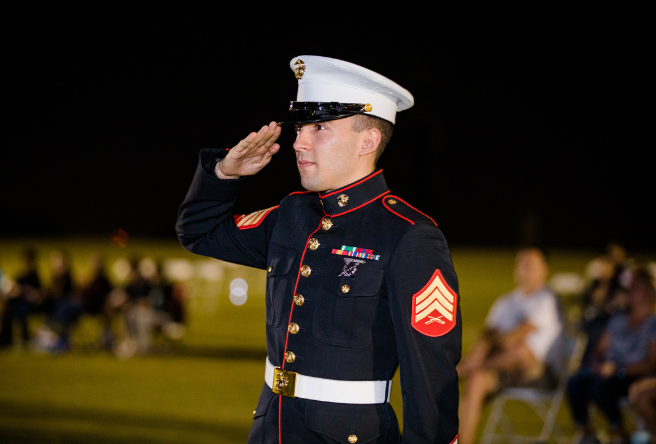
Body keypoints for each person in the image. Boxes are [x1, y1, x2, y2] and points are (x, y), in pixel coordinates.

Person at [176, 56, 461, 443]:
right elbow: (199, 232)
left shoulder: (409, 235)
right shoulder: (293, 214)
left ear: (368, 140)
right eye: (300, 128)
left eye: (320, 127)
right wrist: (225, 172)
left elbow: (430, 379)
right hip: (271, 428)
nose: (298, 142)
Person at [457, 248, 562, 444]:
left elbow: (515, 338)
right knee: (476, 381)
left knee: (520, 351)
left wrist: (490, 345)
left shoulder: (546, 300)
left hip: (539, 374)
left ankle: (461, 371)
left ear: (544, 270)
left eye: (529, 264)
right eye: (520, 264)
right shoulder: (506, 302)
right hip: (503, 370)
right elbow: (487, 335)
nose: (523, 269)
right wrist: (480, 351)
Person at [566, 267, 656, 444]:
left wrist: (619, 369)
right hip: (609, 370)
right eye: (628, 289)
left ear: (648, 292)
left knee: (601, 387)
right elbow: (599, 349)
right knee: (575, 382)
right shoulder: (618, 319)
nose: (629, 293)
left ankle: (620, 434)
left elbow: (652, 363)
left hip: (632, 374)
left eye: (636, 288)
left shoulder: (652, 323)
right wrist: (596, 363)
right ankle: (585, 433)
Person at [0, 248, 43, 347]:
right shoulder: (22, 275)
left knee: (20, 310)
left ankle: (22, 337)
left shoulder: (34, 276)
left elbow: (37, 293)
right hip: (18, 302)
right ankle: (7, 338)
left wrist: (22, 291)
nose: (26, 262)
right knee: (8, 308)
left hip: (28, 303)